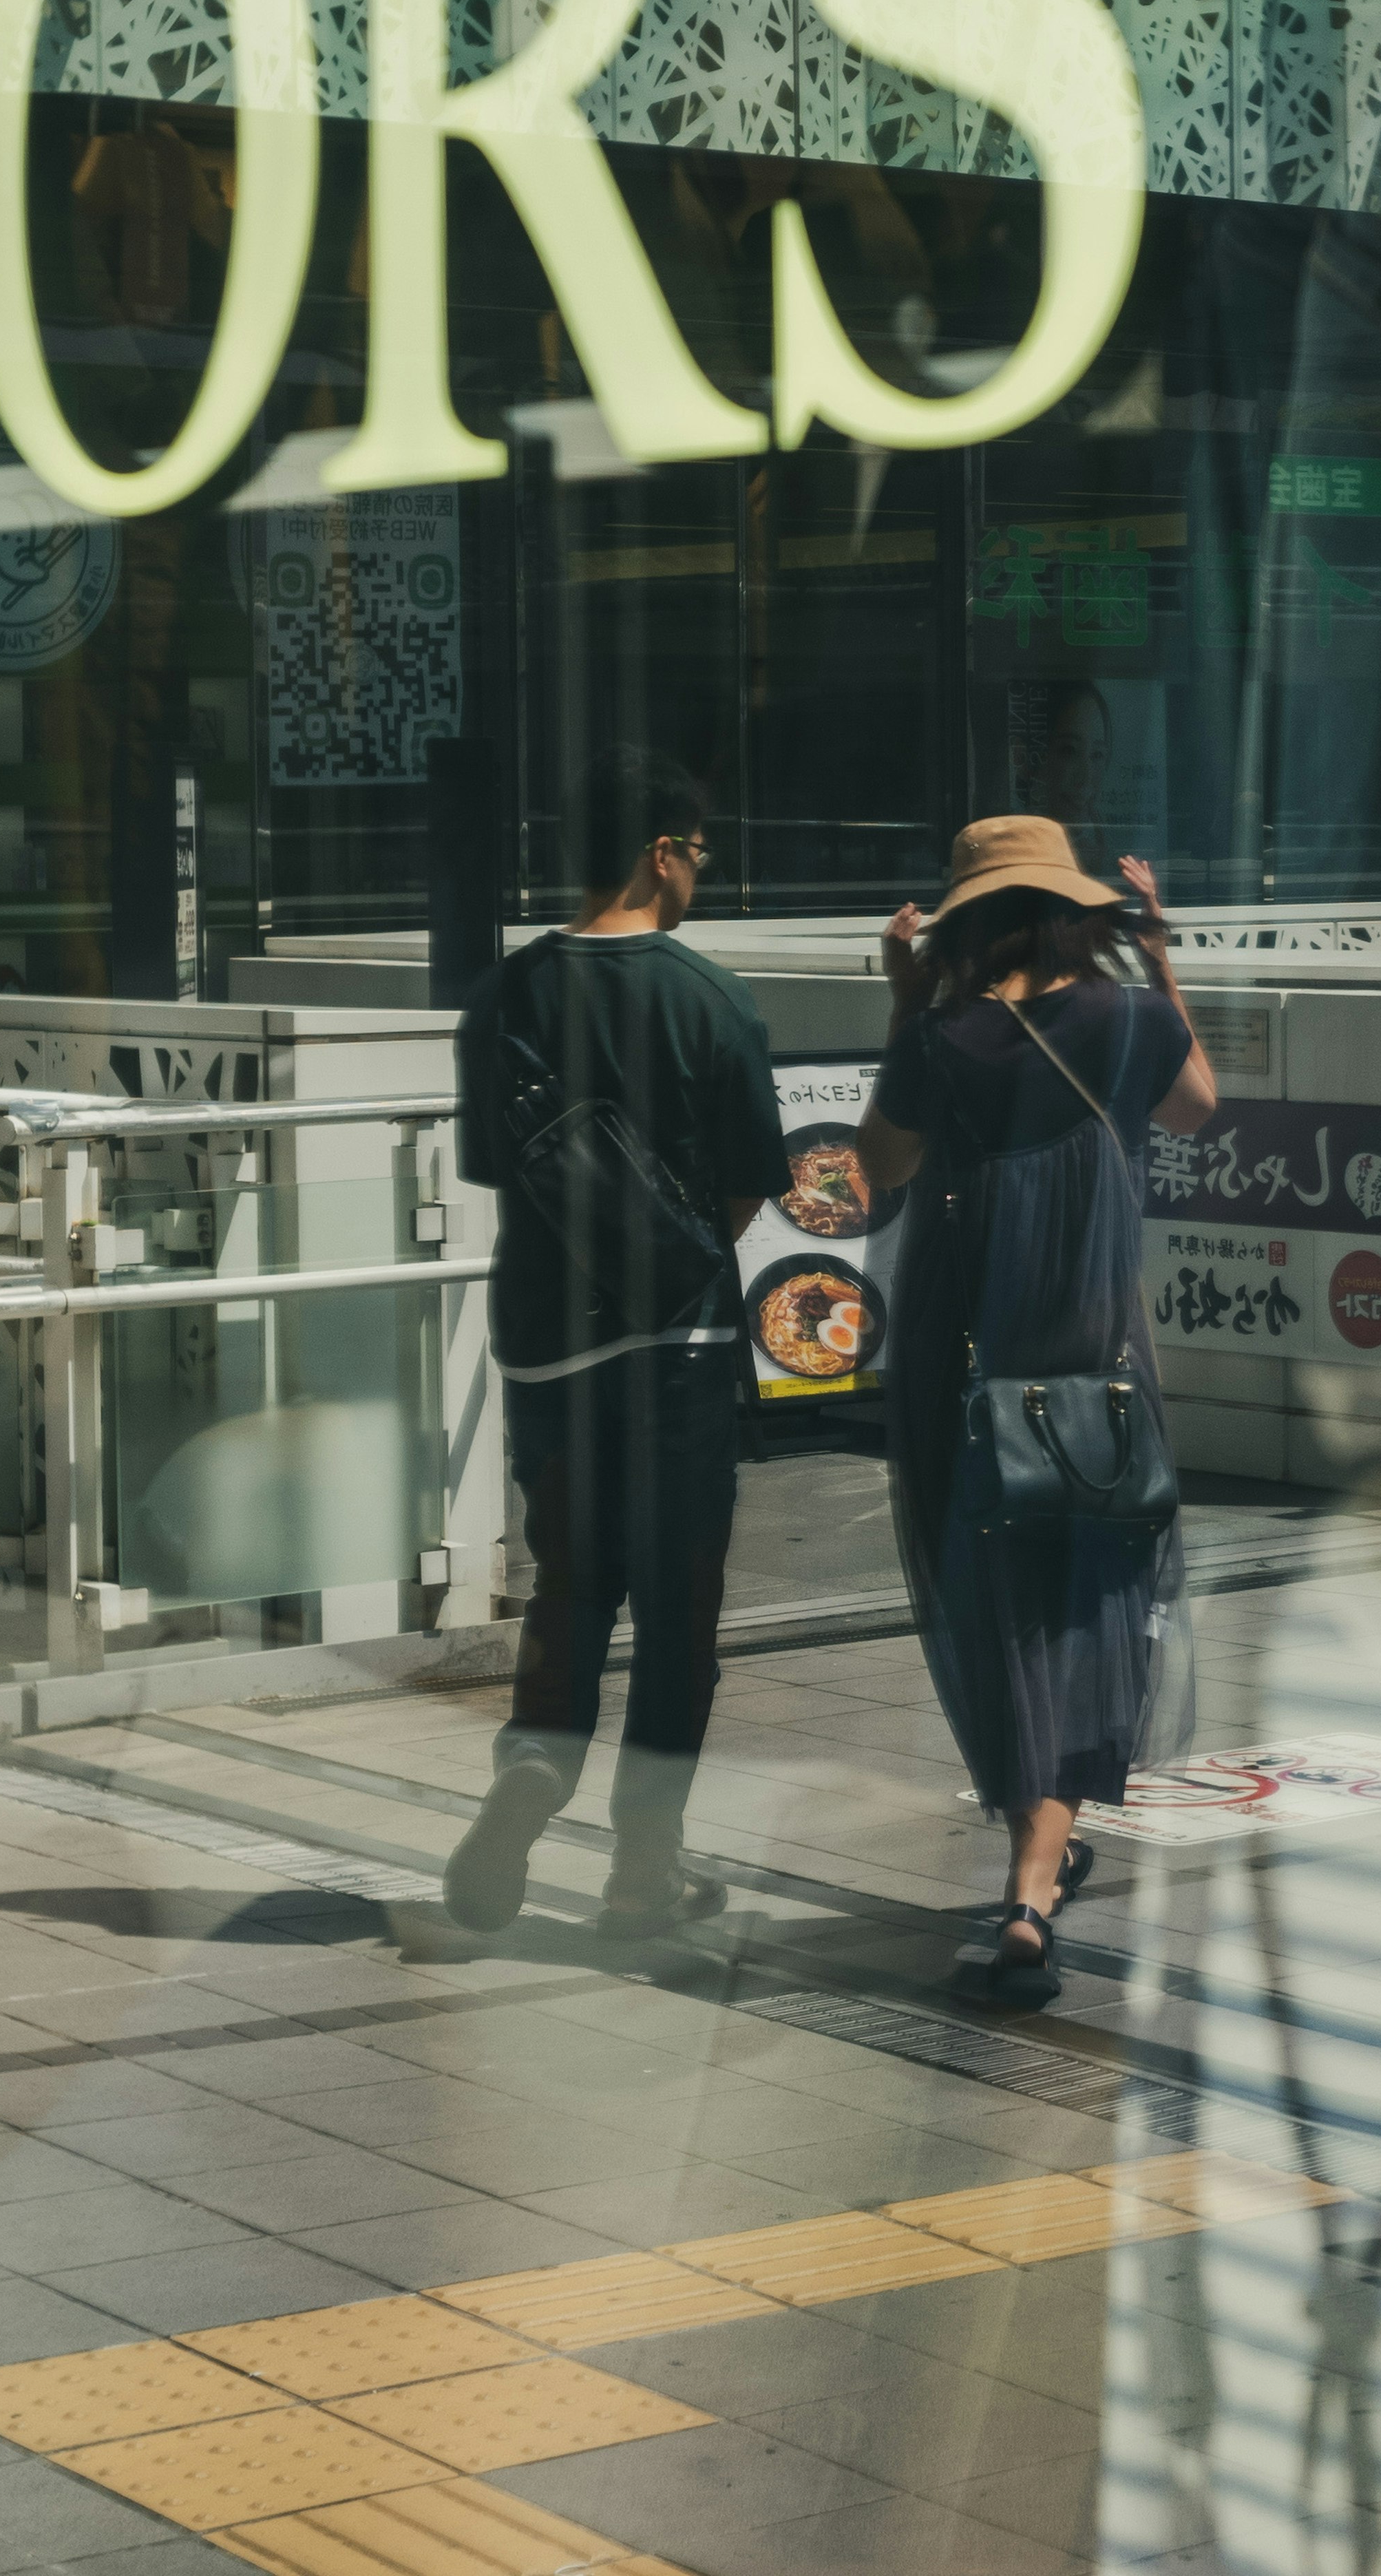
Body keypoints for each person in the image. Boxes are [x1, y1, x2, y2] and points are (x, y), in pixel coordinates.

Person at [859, 812, 1216, 2005]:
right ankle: (1031, 1881)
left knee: (999, 1613)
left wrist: (908, 1006)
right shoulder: (1132, 1020)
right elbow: (1200, 1107)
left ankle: (1029, 1880)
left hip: (963, 1369)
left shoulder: (945, 1035)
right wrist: (1161, 956)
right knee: (1087, 1607)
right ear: (1074, 914)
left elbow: (881, 1174)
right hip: (1096, 1367)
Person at [445, 745, 789, 1939]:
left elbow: (499, 1171)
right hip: (678, 1351)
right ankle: (645, 1869)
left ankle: (533, 1777)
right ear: (659, 854)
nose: (702, 870)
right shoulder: (711, 999)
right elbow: (749, 1191)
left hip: (545, 1349)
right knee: (677, 1617)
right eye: (697, 850)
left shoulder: (504, 998)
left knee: (571, 1588)